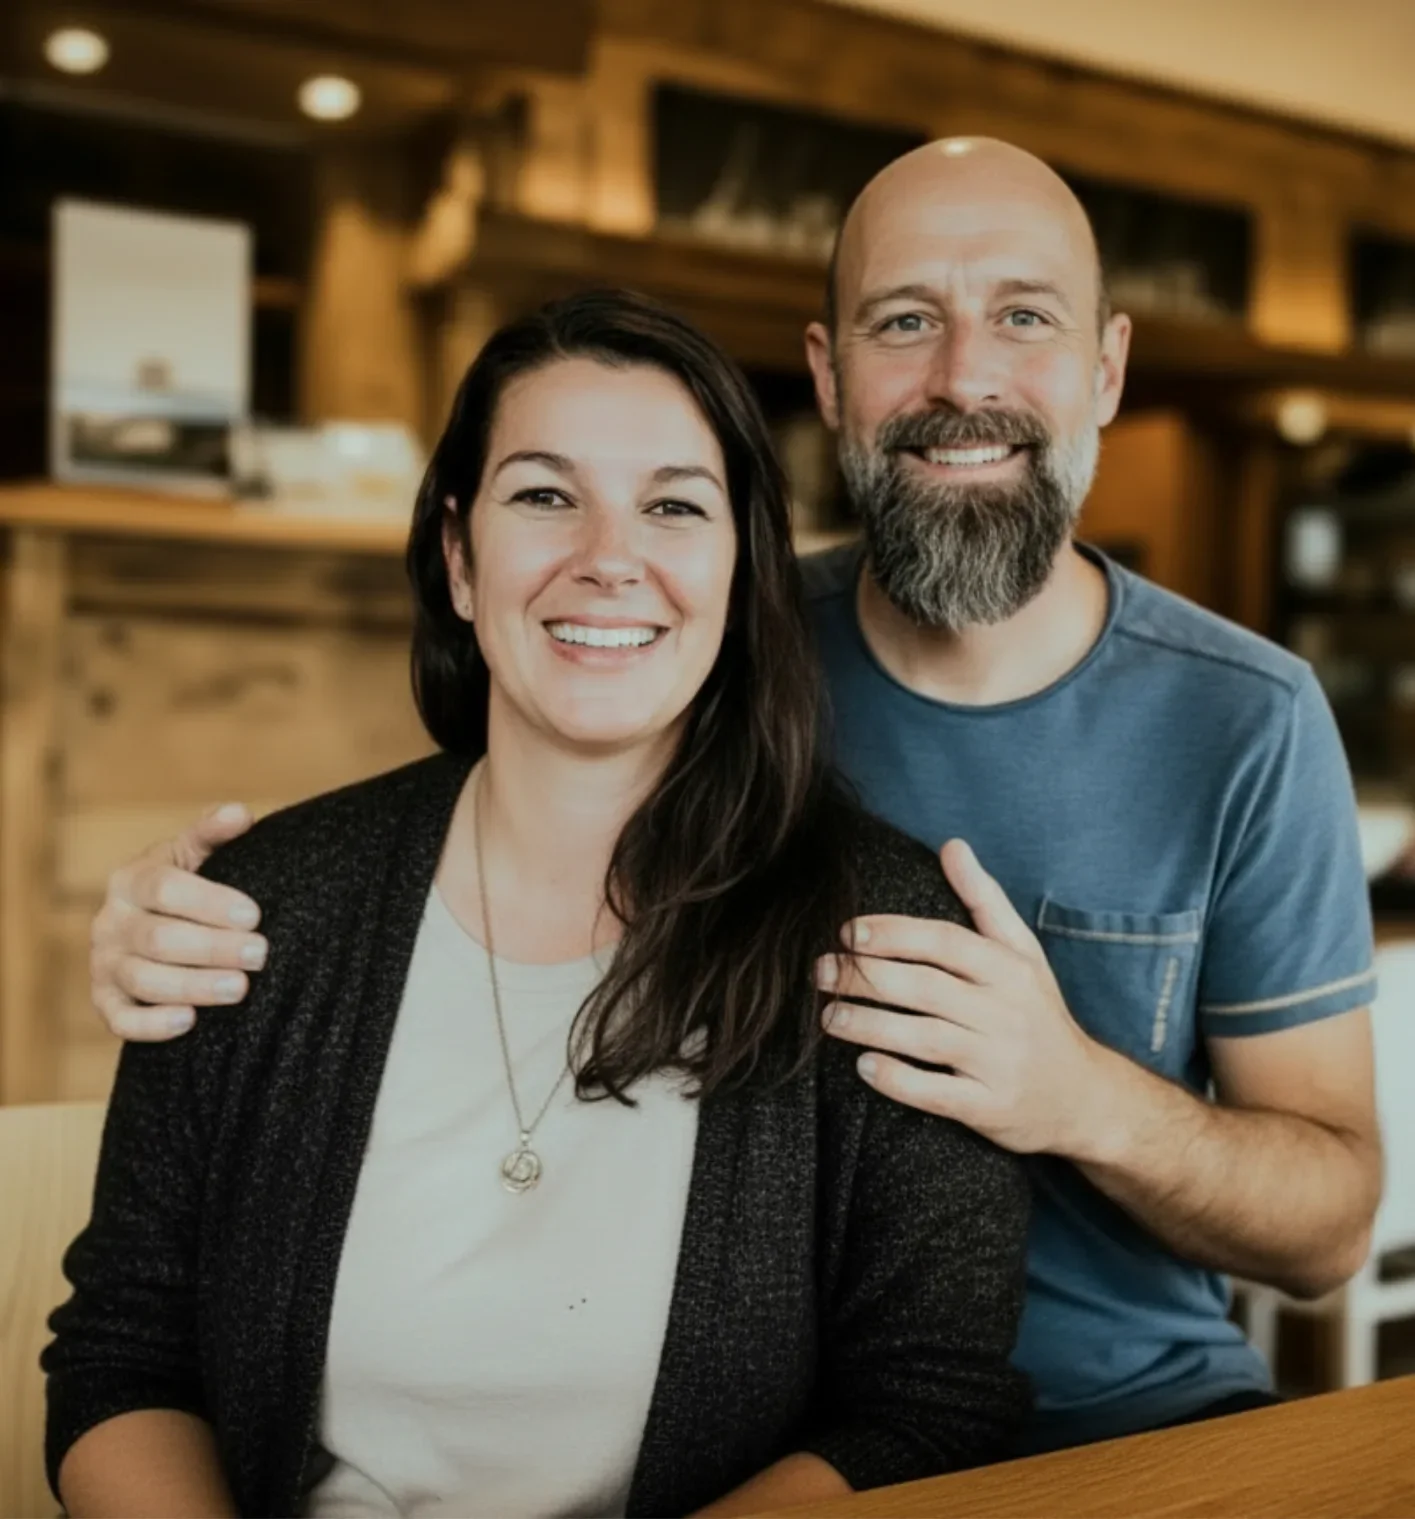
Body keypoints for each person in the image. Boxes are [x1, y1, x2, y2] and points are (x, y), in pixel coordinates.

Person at [87, 138, 1382, 1456]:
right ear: (826, 373)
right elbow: (447, 837)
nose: (963, 376)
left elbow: (1327, 1226)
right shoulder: (695, 642)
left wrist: (1076, 1096)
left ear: (1103, 367)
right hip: (750, 1419)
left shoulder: (1247, 718)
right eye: (903, 321)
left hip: (1127, 1419)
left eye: (1022, 317)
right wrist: (190, 921)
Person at [45, 291, 1031, 1519]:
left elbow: (930, 1408)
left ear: (740, 571)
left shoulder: (884, 938)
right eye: (544, 495)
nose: (607, 557)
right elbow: (125, 1357)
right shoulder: (253, 915)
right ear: (460, 559)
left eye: (673, 505)